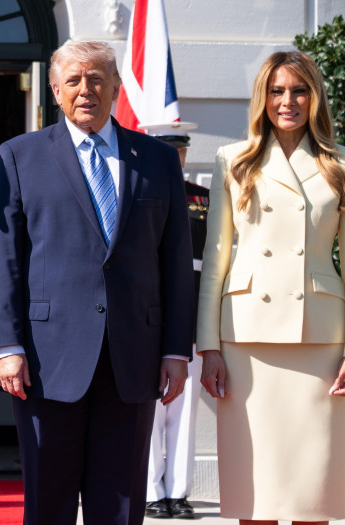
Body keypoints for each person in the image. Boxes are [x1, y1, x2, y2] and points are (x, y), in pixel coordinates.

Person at [0, 40, 195, 525]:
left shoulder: (158, 161)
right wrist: (7, 345)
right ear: (55, 90)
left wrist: (176, 351)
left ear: (116, 87)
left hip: (133, 356)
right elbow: (3, 259)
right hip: (44, 360)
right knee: (48, 500)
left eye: (97, 78)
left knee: (119, 506)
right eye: (74, 80)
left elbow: (176, 262)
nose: (86, 90)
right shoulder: (18, 156)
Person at [195, 50, 345, 524]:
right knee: (256, 491)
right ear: (263, 98)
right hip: (247, 337)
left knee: (314, 491)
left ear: (314, 97)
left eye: (298, 90)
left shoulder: (344, 164)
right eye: (276, 91)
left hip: (318, 339)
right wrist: (208, 346)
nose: (287, 100)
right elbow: (216, 259)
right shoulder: (233, 160)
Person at [139, 123, 206, 521]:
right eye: (168, 149)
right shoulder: (137, 191)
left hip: (191, 316)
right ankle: (149, 489)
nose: (175, 157)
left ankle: (177, 492)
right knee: (147, 409)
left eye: (180, 151)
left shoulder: (202, 199)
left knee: (184, 410)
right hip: (146, 317)